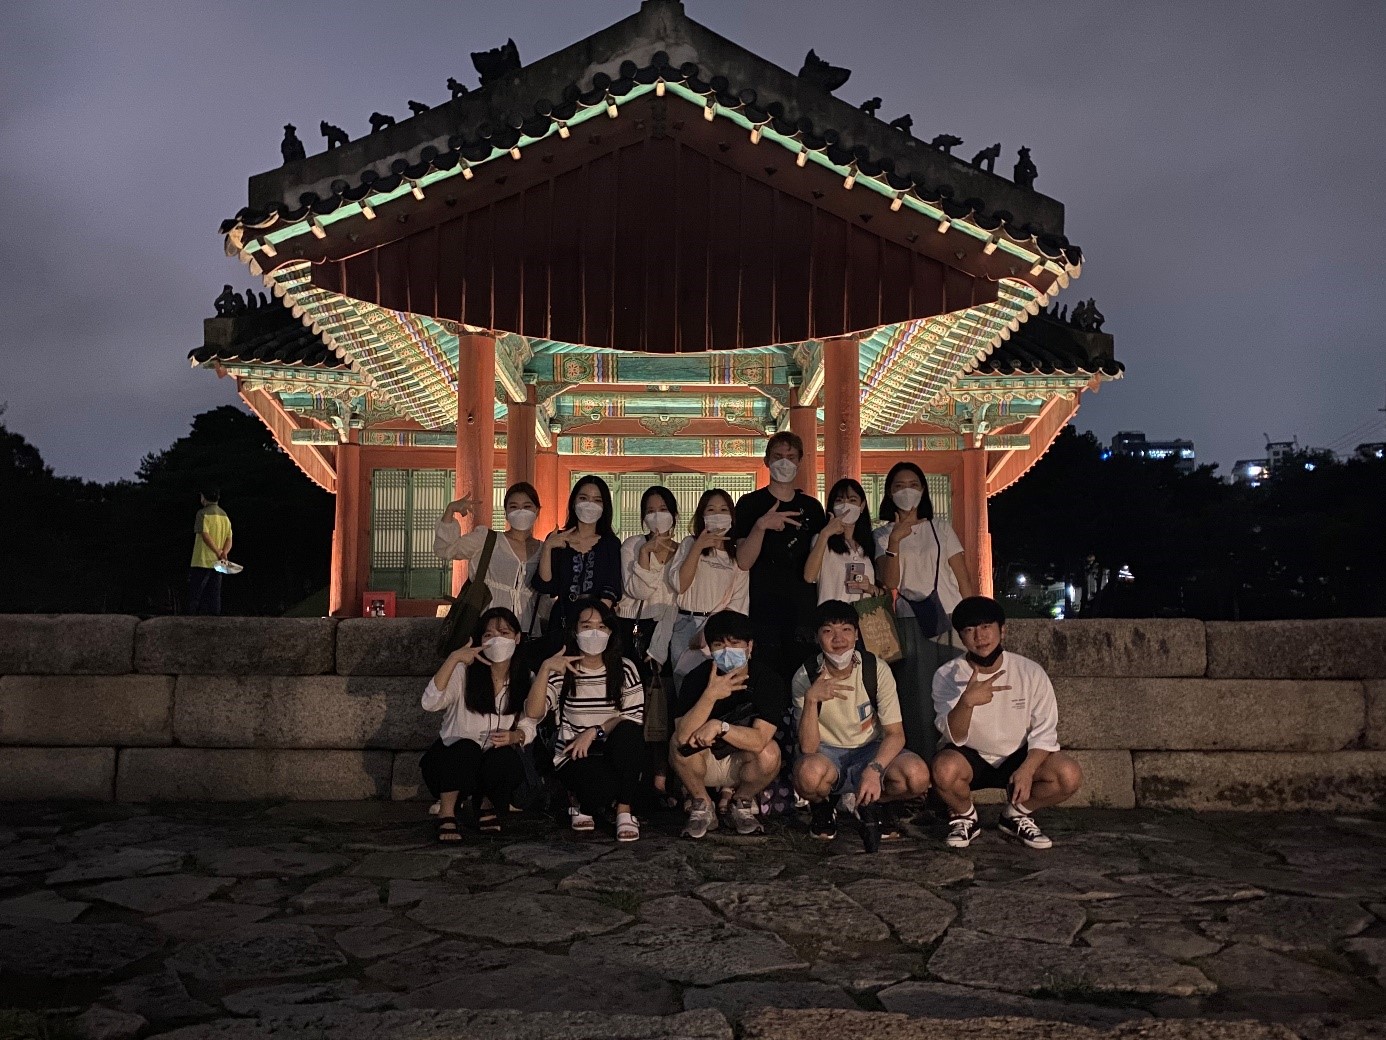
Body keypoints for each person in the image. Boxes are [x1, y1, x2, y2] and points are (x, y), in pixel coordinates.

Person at [932, 596, 1082, 850]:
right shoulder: (947, 674)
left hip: (1017, 755)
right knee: (943, 770)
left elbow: (1045, 731)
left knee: (1068, 774)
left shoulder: (1030, 671)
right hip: (970, 756)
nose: (979, 637)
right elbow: (953, 735)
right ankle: (966, 817)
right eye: (969, 630)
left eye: (986, 627)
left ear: (1002, 629)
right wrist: (966, 702)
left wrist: (1028, 770)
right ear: (961, 637)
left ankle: (1016, 815)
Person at [791, 600, 931, 852]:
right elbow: (808, 747)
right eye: (828, 631)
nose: (838, 639)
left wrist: (874, 769)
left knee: (916, 776)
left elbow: (895, 734)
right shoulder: (805, 676)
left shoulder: (876, 669)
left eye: (846, 630)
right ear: (817, 637)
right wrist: (811, 699)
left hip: (869, 747)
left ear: (857, 634)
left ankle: (873, 801)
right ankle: (824, 806)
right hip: (827, 753)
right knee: (807, 775)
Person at [874, 461, 973, 760]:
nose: (907, 491)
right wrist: (895, 541)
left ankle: (957, 763)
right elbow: (890, 582)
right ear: (889, 493)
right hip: (909, 620)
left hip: (950, 617)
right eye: (899, 486)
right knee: (917, 696)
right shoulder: (882, 534)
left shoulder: (940, 528)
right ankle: (922, 762)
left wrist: (973, 619)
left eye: (913, 485)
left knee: (957, 690)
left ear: (923, 490)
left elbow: (962, 577)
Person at [526, 598, 645, 841]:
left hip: (612, 750)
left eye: (601, 627)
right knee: (599, 790)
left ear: (610, 632)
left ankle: (624, 811)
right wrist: (545, 669)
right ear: (575, 630)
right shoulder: (562, 670)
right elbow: (534, 712)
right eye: (587, 626)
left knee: (629, 734)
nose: (594, 633)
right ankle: (579, 799)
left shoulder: (625, 669)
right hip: (574, 754)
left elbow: (632, 719)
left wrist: (595, 731)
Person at [419, 607, 536, 843]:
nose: (497, 640)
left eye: (504, 633)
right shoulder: (464, 672)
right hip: (450, 760)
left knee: (506, 759)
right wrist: (453, 659)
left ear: (517, 638)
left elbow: (530, 723)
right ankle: (447, 810)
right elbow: (430, 703)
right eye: (489, 635)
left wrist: (516, 736)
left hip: (491, 759)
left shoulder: (524, 677)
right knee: (466, 748)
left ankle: (485, 804)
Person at [669, 609, 788, 838]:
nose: (727, 651)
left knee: (770, 752)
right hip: (703, 761)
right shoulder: (695, 678)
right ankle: (702, 804)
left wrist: (720, 727)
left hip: (741, 762)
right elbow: (682, 736)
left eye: (735, 644)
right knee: (677, 744)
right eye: (719, 645)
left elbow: (760, 739)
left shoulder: (767, 680)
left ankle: (741, 802)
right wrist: (710, 696)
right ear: (710, 649)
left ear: (749, 646)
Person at [734, 432, 826, 682]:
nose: (784, 462)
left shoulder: (812, 508)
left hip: (803, 609)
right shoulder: (750, 504)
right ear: (766, 461)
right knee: (767, 679)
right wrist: (761, 526)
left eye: (791, 457)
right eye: (778, 457)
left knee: (804, 681)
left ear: (800, 461)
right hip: (763, 608)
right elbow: (743, 561)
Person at [667, 489, 749, 694]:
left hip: (718, 634)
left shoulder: (736, 555)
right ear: (702, 516)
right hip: (685, 627)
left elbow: (738, 602)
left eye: (723, 510)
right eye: (711, 510)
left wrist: (708, 632)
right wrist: (698, 547)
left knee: (716, 690)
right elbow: (680, 584)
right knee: (686, 691)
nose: (717, 514)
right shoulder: (689, 544)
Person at [434, 482, 543, 631]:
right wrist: (450, 510)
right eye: (513, 506)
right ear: (505, 513)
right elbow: (445, 549)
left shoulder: (544, 550)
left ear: (537, 511)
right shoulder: (487, 539)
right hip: (487, 629)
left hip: (527, 631)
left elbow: (545, 597)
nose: (520, 511)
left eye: (527, 506)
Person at [532, 476, 623, 643]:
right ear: (573, 503)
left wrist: (594, 620)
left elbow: (612, 587)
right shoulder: (558, 538)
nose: (589, 504)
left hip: (598, 620)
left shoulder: (610, 543)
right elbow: (545, 585)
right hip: (562, 619)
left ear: (604, 507)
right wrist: (548, 547)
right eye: (583, 498)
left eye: (597, 500)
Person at [617, 485, 680, 669]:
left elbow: (679, 598)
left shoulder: (682, 550)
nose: (657, 516)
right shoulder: (633, 545)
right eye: (650, 511)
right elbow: (639, 591)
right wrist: (645, 552)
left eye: (663, 509)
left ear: (674, 515)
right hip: (633, 627)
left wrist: (659, 647)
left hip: (668, 629)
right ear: (644, 517)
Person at [803, 478, 883, 605]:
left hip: (863, 615)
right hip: (833, 615)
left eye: (852, 500)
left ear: (862, 505)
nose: (846, 505)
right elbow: (809, 576)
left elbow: (883, 587)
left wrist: (870, 588)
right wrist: (825, 533)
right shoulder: (822, 539)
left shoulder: (869, 543)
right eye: (839, 500)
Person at [188, 488, 233, 615]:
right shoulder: (224, 516)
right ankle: (216, 621)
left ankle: (191, 621)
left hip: (201, 560)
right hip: (219, 562)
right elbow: (229, 538)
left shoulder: (202, 513)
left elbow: (205, 534)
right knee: (215, 595)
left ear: (204, 498)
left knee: (196, 594)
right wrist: (224, 553)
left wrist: (218, 551)